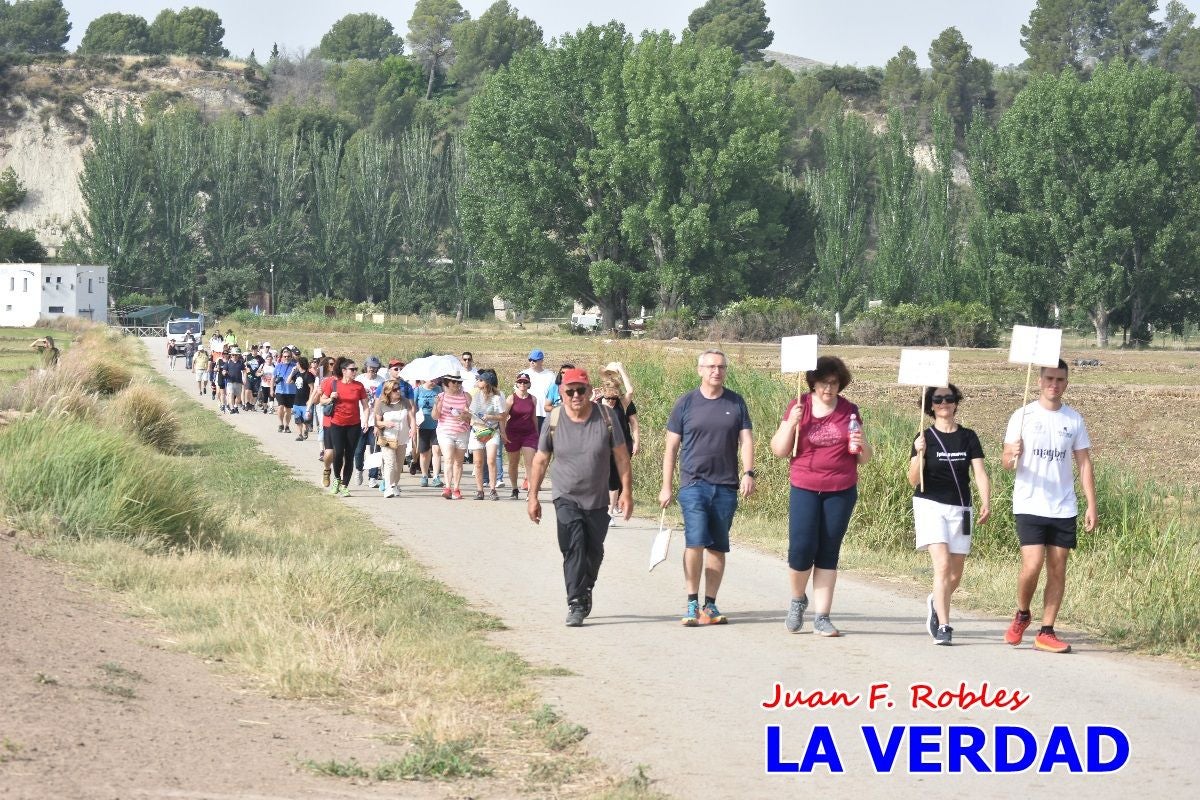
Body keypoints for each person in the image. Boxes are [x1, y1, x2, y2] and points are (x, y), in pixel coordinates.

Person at [768, 356, 872, 638]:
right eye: (823, 382)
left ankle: (822, 616)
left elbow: (864, 459)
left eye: (834, 383)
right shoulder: (799, 405)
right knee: (801, 549)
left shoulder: (850, 411)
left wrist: (861, 445)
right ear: (813, 383)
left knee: (828, 551)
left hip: (841, 489)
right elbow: (778, 450)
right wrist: (791, 424)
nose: (828, 388)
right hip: (804, 486)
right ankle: (797, 599)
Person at [1001, 359, 1098, 654]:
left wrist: (1091, 504)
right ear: (1039, 381)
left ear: (1066, 383)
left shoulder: (1074, 420)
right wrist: (1012, 454)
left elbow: (1083, 463)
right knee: (1032, 565)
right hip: (1029, 502)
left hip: (1063, 506)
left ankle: (1047, 630)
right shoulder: (1022, 415)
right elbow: (1006, 464)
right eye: (1049, 379)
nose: (1054, 384)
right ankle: (1022, 613)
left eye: (1060, 380)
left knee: (1058, 569)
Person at [527, 368, 632, 627]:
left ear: (589, 391)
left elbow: (621, 457)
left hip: (597, 498)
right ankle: (575, 601)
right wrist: (533, 496)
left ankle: (585, 590)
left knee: (594, 551)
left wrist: (626, 492)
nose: (576, 395)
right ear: (561, 392)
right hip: (566, 495)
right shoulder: (554, 420)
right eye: (570, 391)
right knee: (574, 545)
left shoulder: (606, 417)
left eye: (581, 390)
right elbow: (541, 460)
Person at [659, 350, 755, 627]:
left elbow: (746, 440)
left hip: (726, 485)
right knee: (695, 541)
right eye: (711, 366)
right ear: (700, 369)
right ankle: (691, 601)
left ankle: (709, 605)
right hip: (693, 484)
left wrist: (749, 472)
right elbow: (671, 448)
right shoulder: (686, 403)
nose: (717, 371)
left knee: (717, 546)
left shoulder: (736, 402)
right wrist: (666, 486)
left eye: (721, 367)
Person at [907, 384, 990, 646]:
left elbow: (979, 473)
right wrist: (919, 453)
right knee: (942, 566)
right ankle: (944, 625)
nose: (944, 403)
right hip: (930, 504)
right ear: (930, 406)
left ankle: (935, 599)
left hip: (961, 508)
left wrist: (986, 501)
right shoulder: (923, 437)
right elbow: (912, 480)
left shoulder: (969, 437)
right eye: (938, 399)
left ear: (956, 403)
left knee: (955, 575)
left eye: (949, 398)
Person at [319, 359, 371, 497]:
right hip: (337, 424)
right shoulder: (334, 384)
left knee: (349, 455)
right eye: (352, 369)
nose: (355, 372)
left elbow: (366, 406)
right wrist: (330, 398)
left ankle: (344, 485)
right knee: (338, 453)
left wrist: (366, 420)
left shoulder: (359, 386)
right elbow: (321, 401)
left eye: (356, 369)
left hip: (354, 425)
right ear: (344, 371)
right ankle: (336, 478)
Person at [596, 376, 639, 519]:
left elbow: (630, 390)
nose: (611, 401)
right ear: (604, 392)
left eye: (614, 398)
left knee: (614, 479)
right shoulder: (597, 403)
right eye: (608, 398)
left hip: (620, 446)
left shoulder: (622, 404)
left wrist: (621, 369)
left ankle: (610, 512)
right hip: (602, 447)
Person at [432, 369, 472, 499]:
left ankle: (456, 488)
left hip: (462, 432)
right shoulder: (441, 397)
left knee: (458, 462)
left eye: (458, 381)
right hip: (445, 431)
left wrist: (465, 416)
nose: (457, 384)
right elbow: (435, 417)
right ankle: (447, 487)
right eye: (454, 382)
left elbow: (472, 416)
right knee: (448, 458)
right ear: (447, 383)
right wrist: (437, 406)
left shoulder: (466, 396)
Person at [374, 379, 416, 498]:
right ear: (388, 391)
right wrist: (385, 423)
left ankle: (394, 485)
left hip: (402, 437)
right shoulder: (381, 404)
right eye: (395, 390)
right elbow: (377, 421)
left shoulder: (405, 402)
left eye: (399, 389)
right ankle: (388, 487)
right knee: (390, 462)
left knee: (398, 465)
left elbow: (411, 417)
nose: (398, 391)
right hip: (387, 437)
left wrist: (412, 429)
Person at [469, 369, 506, 500]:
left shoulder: (497, 398)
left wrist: (489, 416)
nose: (478, 382)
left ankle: (492, 489)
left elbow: (502, 416)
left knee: (491, 460)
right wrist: (464, 414)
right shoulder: (476, 395)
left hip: (492, 431)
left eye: (480, 380)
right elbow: (471, 413)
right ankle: (480, 490)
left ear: (487, 383)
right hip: (477, 430)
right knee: (478, 462)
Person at [504, 371, 539, 500]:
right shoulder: (511, 398)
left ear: (529, 384)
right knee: (513, 463)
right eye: (520, 382)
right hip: (513, 433)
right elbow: (503, 417)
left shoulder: (533, 399)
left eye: (525, 382)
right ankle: (514, 488)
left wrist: (537, 433)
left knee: (530, 463)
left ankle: (531, 491)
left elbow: (534, 417)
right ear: (516, 384)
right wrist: (503, 433)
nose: (522, 384)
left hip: (529, 433)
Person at [355, 356, 387, 487]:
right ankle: (359, 469)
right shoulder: (359, 380)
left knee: (375, 450)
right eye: (370, 366)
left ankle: (372, 477)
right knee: (358, 450)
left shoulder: (382, 381)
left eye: (375, 367)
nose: (372, 369)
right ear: (366, 366)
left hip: (375, 420)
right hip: (360, 420)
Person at [413, 378, 443, 488]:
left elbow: (442, 406)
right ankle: (424, 476)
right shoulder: (418, 390)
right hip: (422, 425)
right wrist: (414, 421)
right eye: (431, 379)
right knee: (424, 452)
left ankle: (436, 476)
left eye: (436, 379)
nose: (434, 381)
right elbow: (413, 407)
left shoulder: (439, 389)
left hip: (436, 424)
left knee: (437, 450)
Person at [272, 348, 299, 433]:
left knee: (288, 410)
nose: (286, 358)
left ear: (291, 357)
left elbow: (299, 377)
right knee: (280, 407)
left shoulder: (295, 366)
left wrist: (294, 380)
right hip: (280, 390)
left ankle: (287, 426)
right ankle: (281, 424)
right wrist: (271, 389)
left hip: (291, 391)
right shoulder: (278, 366)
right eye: (285, 356)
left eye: (288, 356)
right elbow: (273, 378)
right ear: (282, 357)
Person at [292, 356, 316, 440]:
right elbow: (288, 381)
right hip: (296, 401)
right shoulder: (296, 374)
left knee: (306, 420)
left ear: (300, 364)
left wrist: (310, 400)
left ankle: (305, 430)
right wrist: (292, 372)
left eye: (297, 363)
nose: (296, 364)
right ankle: (300, 435)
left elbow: (312, 388)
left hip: (305, 402)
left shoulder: (308, 375)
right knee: (298, 419)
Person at [220, 348, 246, 414]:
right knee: (231, 394)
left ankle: (236, 406)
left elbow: (244, 371)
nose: (235, 356)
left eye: (236, 355)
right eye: (233, 355)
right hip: (230, 381)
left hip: (239, 381)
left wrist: (244, 378)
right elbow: (224, 370)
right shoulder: (228, 362)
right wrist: (224, 373)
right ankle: (231, 408)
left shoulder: (240, 362)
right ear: (231, 355)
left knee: (238, 396)